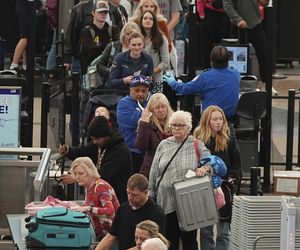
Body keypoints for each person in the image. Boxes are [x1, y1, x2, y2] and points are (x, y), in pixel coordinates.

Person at [148, 110, 211, 250]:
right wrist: (151, 193)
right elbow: (154, 170)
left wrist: (205, 168)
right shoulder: (164, 144)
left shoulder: (196, 144)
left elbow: (210, 162)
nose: (176, 128)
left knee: (189, 241)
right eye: (174, 125)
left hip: (188, 201)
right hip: (166, 199)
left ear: (188, 128)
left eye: (181, 125)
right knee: (169, 240)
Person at [193, 105, 242, 250]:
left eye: (221, 119)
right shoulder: (197, 137)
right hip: (204, 186)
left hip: (224, 186)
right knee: (206, 231)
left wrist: (233, 179)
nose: (219, 122)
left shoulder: (229, 137)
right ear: (207, 121)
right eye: (215, 119)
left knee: (223, 232)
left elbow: (236, 163)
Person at [59, 116, 132, 203]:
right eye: (92, 139)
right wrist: (69, 151)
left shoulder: (120, 151)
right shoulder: (99, 144)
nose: (94, 142)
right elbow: (84, 151)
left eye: (96, 139)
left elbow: (104, 173)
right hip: (101, 196)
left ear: (106, 136)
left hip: (117, 199)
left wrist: (76, 178)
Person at [163, 45, 240, 121]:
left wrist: (172, 82)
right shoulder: (236, 74)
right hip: (229, 122)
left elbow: (184, 89)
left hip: (209, 123)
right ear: (228, 61)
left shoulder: (205, 77)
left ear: (211, 61)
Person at [95, 174, 167, 250]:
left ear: (146, 193)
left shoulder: (156, 213)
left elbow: (153, 245)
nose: (130, 197)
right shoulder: (123, 209)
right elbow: (110, 237)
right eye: (128, 193)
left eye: (135, 195)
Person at [222, 0, 278, 95]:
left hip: (255, 24)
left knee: (264, 54)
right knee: (238, 58)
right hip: (239, 26)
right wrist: (238, 19)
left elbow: (263, 2)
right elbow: (227, 5)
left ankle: (267, 84)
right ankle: (234, 85)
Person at [70, 157, 120, 240]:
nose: (77, 177)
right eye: (75, 174)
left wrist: (89, 208)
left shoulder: (100, 186)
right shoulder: (89, 186)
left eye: (81, 173)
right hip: (101, 234)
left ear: (90, 172)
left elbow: (110, 211)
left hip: (112, 236)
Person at [117, 75, 151, 173]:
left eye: (144, 91)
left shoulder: (153, 101)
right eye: (137, 90)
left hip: (150, 152)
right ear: (130, 89)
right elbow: (134, 122)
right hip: (131, 152)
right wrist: (149, 116)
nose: (140, 94)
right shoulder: (123, 104)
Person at [135, 93, 173, 179]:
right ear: (151, 110)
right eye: (157, 107)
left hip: (172, 167)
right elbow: (141, 146)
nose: (161, 110)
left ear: (168, 107)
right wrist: (144, 123)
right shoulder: (146, 123)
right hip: (152, 169)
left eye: (163, 106)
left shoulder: (175, 121)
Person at [96, 21, 141, 88]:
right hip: (112, 88)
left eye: (132, 34)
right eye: (127, 34)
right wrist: (112, 72)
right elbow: (99, 65)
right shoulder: (112, 46)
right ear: (123, 34)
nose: (129, 37)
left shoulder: (140, 50)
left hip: (132, 88)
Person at [139, 10, 170, 93]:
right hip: (138, 82)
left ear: (154, 22)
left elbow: (165, 62)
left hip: (155, 81)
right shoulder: (136, 37)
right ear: (141, 21)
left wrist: (151, 73)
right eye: (145, 18)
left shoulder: (162, 38)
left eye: (151, 19)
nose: (148, 20)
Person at [196, 0, 230, 68]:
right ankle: (207, 67)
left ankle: (222, 67)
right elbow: (200, 1)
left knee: (223, 43)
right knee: (207, 44)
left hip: (224, 15)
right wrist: (201, 14)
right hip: (209, 15)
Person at [10, 0, 31, 70]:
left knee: (28, 37)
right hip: (24, 8)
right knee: (25, 37)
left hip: (24, 7)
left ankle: (26, 65)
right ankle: (14, 64)